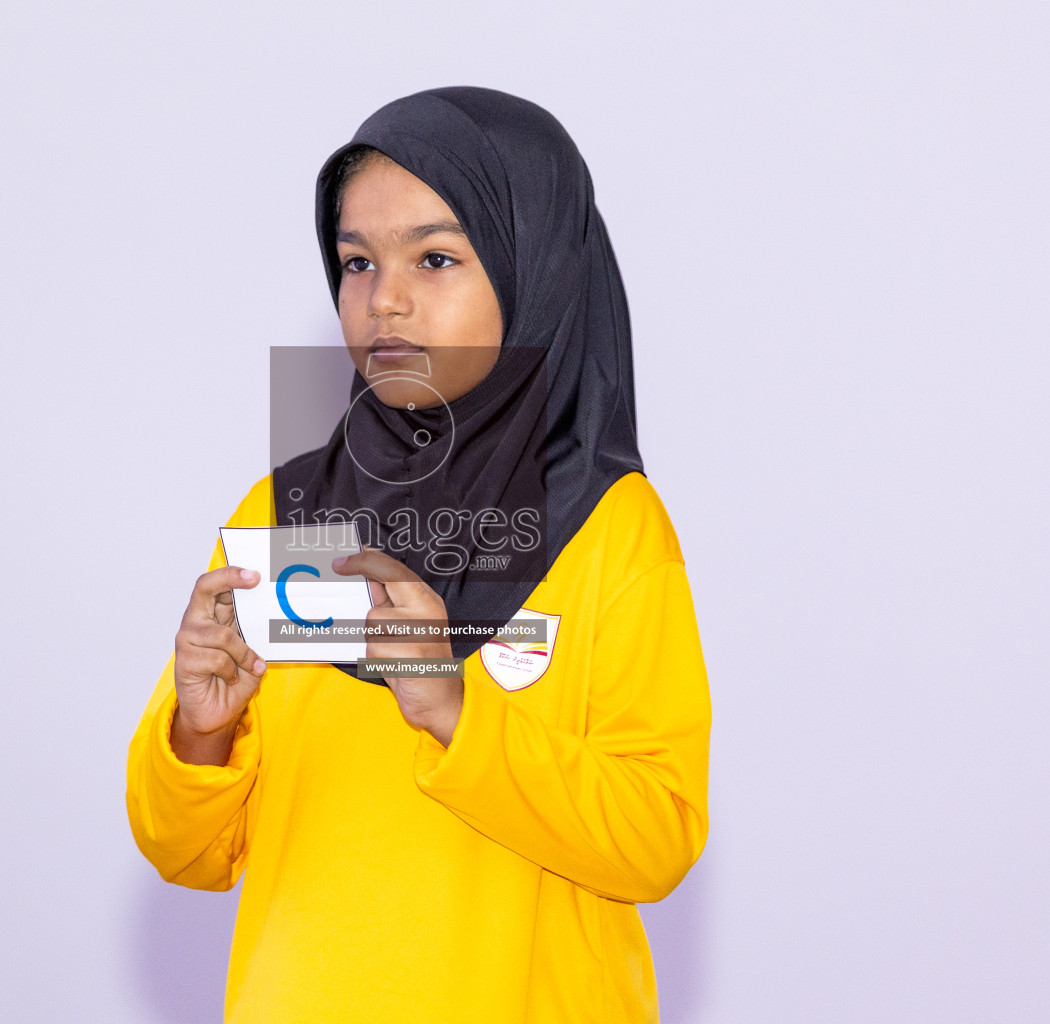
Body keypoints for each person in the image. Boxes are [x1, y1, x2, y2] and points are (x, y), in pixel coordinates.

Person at [126, 86, 711, 1023]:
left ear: (536, 269)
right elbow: (187, 854)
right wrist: (201, 736)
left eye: (435, 257)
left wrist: (456, 709)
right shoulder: (288, 510)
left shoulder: (611, 525)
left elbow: (658, 839)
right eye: (357, 262)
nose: (384, 298)